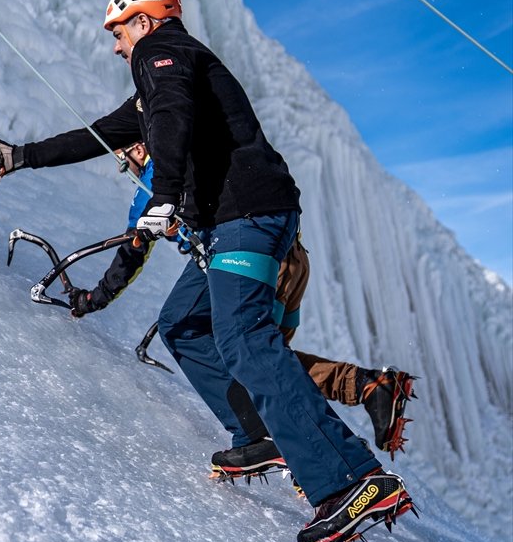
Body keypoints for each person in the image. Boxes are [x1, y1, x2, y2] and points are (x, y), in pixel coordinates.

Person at [0, 0, 414, 542]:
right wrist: (21, 157)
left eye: (118, 30)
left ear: (146, 20)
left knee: (244, 338)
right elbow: (100, 135)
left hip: (247, 213)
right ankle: (256, 433)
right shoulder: (166, 73)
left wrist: (165, 192)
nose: (115, 46)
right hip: (230, 223)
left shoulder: (166, 55)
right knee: (183, 322)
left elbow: (173, 116)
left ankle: (353, 480)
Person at [75, 141, 415, 483]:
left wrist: (94, 299)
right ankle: (367, 390)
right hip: (289, 259)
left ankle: (319, 447)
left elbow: (132, 254)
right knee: (267, 365)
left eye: (123, 159)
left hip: (253, 261)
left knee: (256, 366)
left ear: (137, 148)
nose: (126, 167)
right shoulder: (193, 162)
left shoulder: (155, 179)